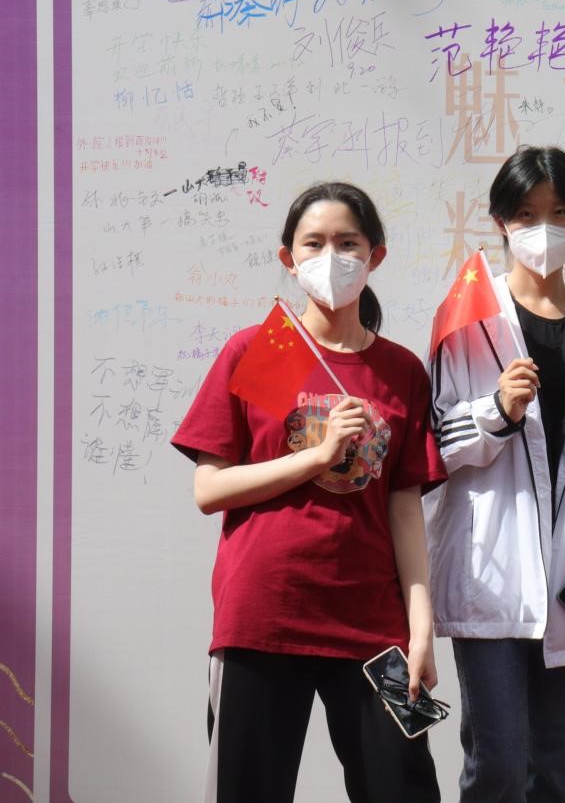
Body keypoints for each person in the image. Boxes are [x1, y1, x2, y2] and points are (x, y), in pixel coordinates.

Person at [171, 182, 446, 803]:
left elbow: (405, 508)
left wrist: (420, 629)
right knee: (248, 791)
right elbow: (209, 489)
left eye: (348, 244)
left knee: (405, 787)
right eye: (313, 244)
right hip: (264, 615)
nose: (331, 257)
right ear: (288, 259)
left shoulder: (401, 370)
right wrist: (316, 457)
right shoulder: (256, 350)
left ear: (375, 256)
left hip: (373, 623)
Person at [424, 146, 565, 803]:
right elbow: (434, 449)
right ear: (500, 220)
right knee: (496, 763)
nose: (542, 228)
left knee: (553, 768)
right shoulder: (468, 319)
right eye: (526, 213)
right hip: (491, 572)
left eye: (558, 213)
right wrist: (496, 411)